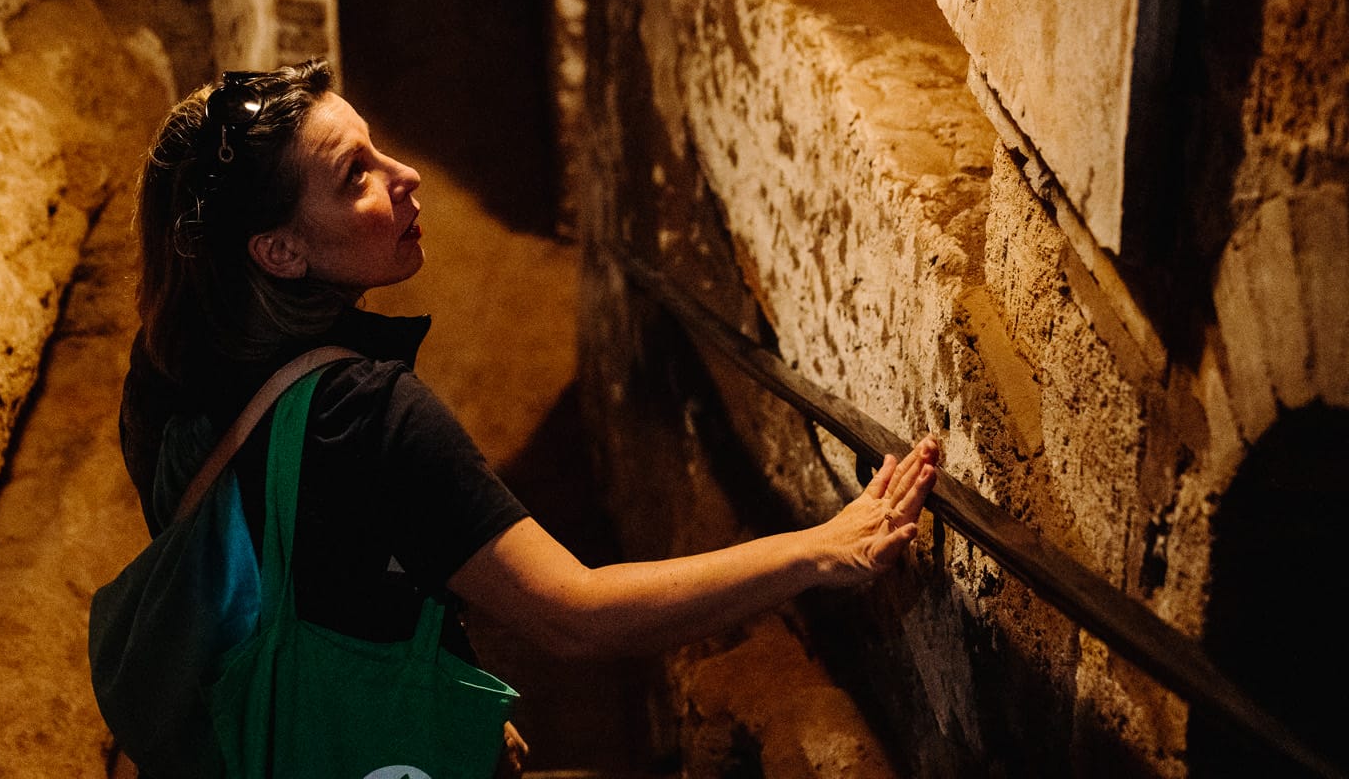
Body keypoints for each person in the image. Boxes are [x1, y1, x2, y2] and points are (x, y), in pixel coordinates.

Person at [119, 59, 939, 773]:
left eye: (375, 147)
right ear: (280, 251)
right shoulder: (369, 419)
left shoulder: (163, 371)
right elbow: (575, 615)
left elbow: (282, 575)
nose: (404, 175)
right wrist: (821, 550)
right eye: (354, 176)